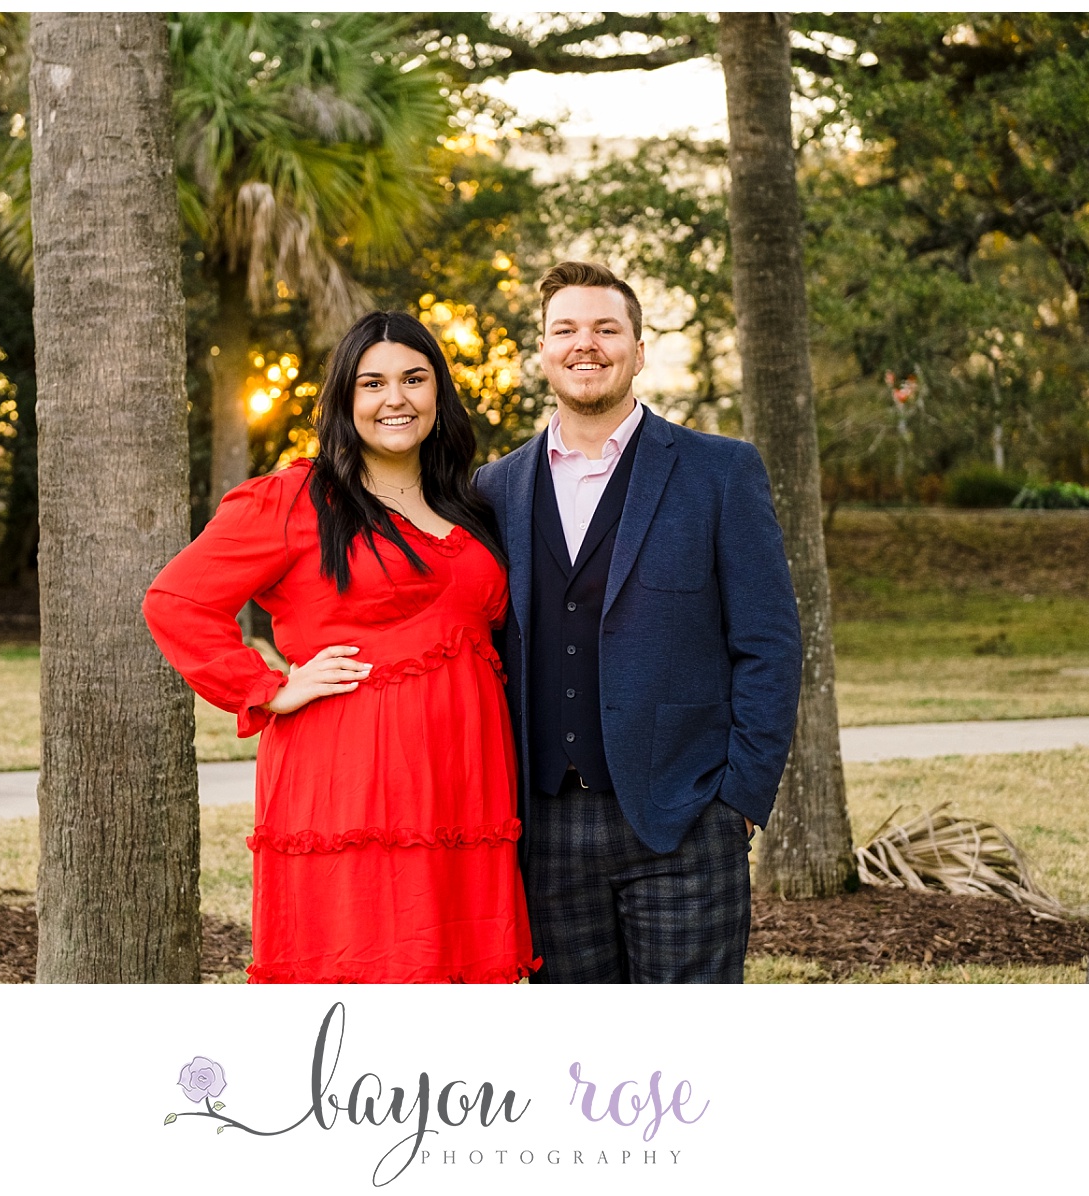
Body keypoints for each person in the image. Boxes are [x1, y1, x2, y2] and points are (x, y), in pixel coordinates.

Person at [143, 311, 539, 984]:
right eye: (372, 383)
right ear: (344, 400)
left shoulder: (468, 504)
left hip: (465, 788)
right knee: (363, 978)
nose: (396, 399)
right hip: (351, 784)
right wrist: (269, 686)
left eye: (414, 379)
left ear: (439, 393)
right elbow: (176, 601)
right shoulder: (298, 498)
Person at [473, 261, 802, 983]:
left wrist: (738, 800)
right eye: (565, 329)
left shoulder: (720, 472)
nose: (584, 345)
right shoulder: (494, 488)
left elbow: (769, 645)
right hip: (546, 828)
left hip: (684, 819)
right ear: (542, 350)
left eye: (605, 329)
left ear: (638, 350)